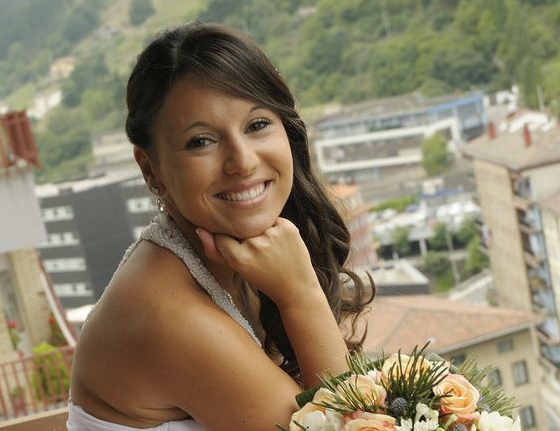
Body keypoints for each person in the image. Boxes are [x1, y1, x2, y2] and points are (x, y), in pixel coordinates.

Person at [67, 22, 373, 431]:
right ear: (150, 169)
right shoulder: (169, 317)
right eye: (201, 142)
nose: (242, 161)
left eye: (257, 124)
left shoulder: (222, 257)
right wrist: (300, 294)